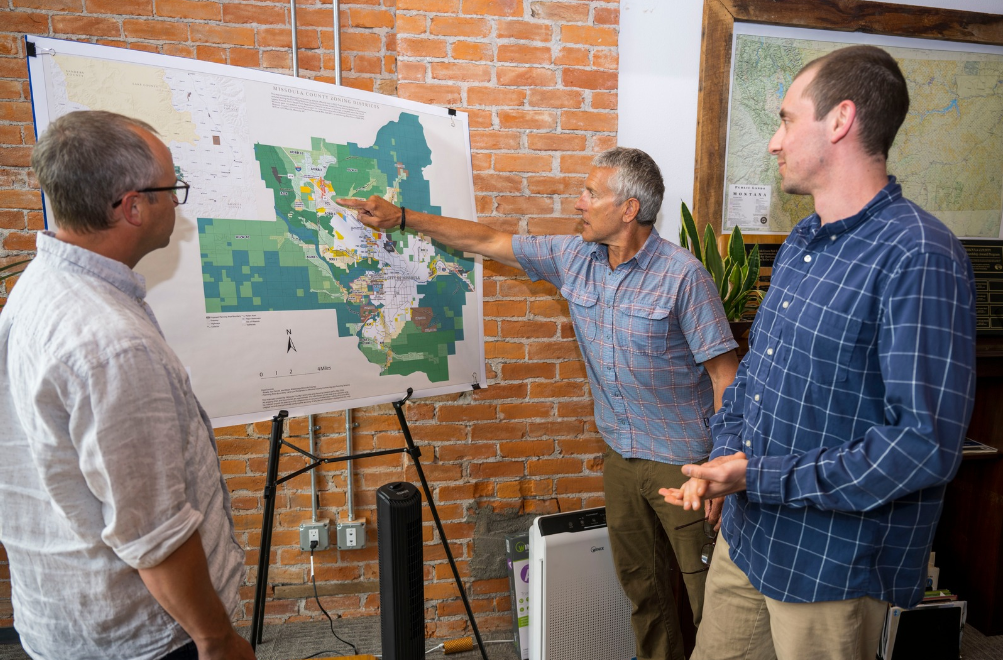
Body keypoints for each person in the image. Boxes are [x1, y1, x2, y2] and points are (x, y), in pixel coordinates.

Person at [338, 147, 739, 660]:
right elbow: (486, 239)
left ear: (628, 209)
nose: (578, 204)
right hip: (620, 454)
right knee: (644, 592)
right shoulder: (573, 257)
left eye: (591, 194)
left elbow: (727, 377)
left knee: (711, 600)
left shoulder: (684, 277)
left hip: (686, 462)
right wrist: (402, 219)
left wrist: (722, 468)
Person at [661, 45, 977, 660]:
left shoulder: (920, 255)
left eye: (785, 120)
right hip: (749, 537)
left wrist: (761, 476)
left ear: (840, 120)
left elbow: (922, 446)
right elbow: (756, 373)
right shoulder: (804, 238)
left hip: (832, 568)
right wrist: (726, 462)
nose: (775, 142)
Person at [0, 111, 253, 660]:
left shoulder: (42, 284)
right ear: (134, 207)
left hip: (70, 615)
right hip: (147, 637)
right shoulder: (112, 343)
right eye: (172, 189)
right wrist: (216, 640)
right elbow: (155, 534)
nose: (178, 203)